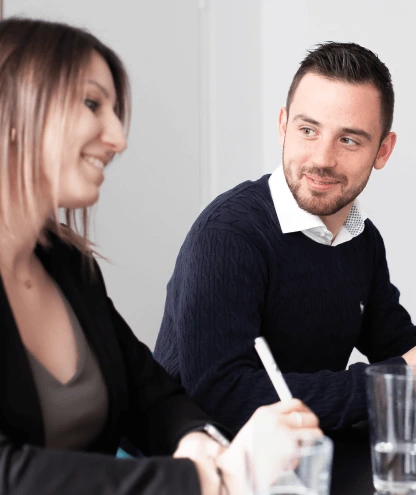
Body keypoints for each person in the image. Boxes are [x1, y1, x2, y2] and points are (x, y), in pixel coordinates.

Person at [0, 17, 322, 495]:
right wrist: (215, 476)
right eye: (92, 104)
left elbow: (150, 395)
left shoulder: (69, 266)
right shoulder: (232, 231)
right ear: (14, 111)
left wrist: (198, 442)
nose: (118, 138)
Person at [154, 42, 417, 436]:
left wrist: (400, 371)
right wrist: (389, 381)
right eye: (308, 130)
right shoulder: (228, 236)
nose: (322, 159)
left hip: (300, 459)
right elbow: (222, 397)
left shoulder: (361, 238)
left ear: (383, 150)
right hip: (199, 468)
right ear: (283, 125)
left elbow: (399, 348)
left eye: (349, 140)